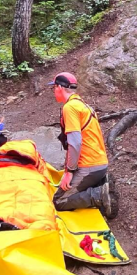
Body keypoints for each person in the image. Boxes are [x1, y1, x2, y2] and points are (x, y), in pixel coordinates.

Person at [49, 72, 116, 218]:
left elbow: (75, 142)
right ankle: (100, 182)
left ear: (59, 87)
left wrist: (69, 172)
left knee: (59, 201)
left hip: (89, 166)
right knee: (67, 189)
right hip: (100, 164)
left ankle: (99, 194)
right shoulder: (83, 105)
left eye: (53, 88)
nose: (53, 91)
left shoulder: (70, 108)